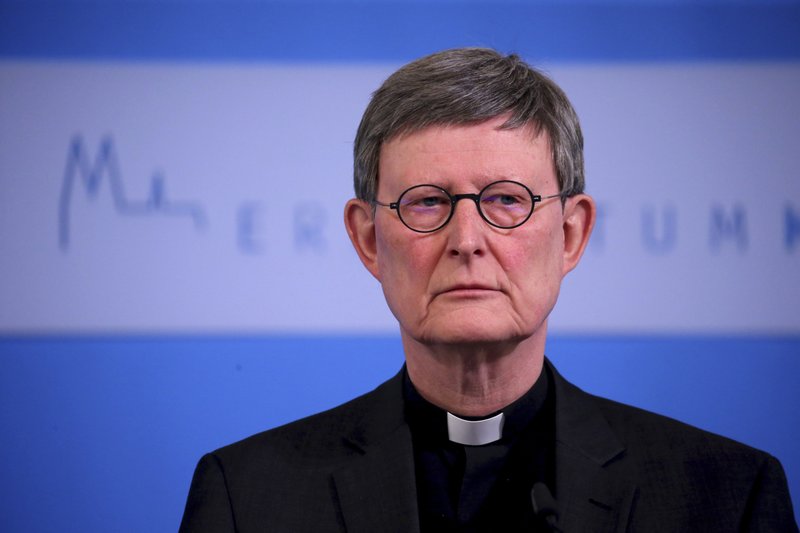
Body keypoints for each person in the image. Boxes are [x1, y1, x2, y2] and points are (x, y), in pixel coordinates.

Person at [179, 48, 797, 532]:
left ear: (571, 234)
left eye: (506, 199)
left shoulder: (727, 495)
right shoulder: (247, 495)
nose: (467, 238)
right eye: (428, 202)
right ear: (368, 240)